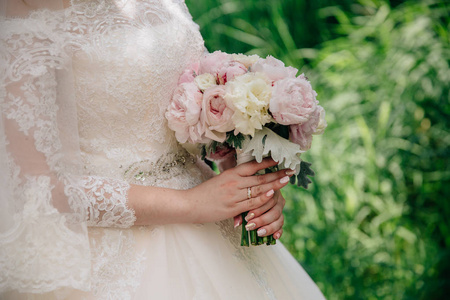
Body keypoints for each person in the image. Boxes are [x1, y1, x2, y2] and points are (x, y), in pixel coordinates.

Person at [0, 0, 325, 299]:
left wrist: (241, 178)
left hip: (213, 213)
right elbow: (35, 187)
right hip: (111, 246)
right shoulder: (27, 12)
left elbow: (176, 99)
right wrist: (190, 204)